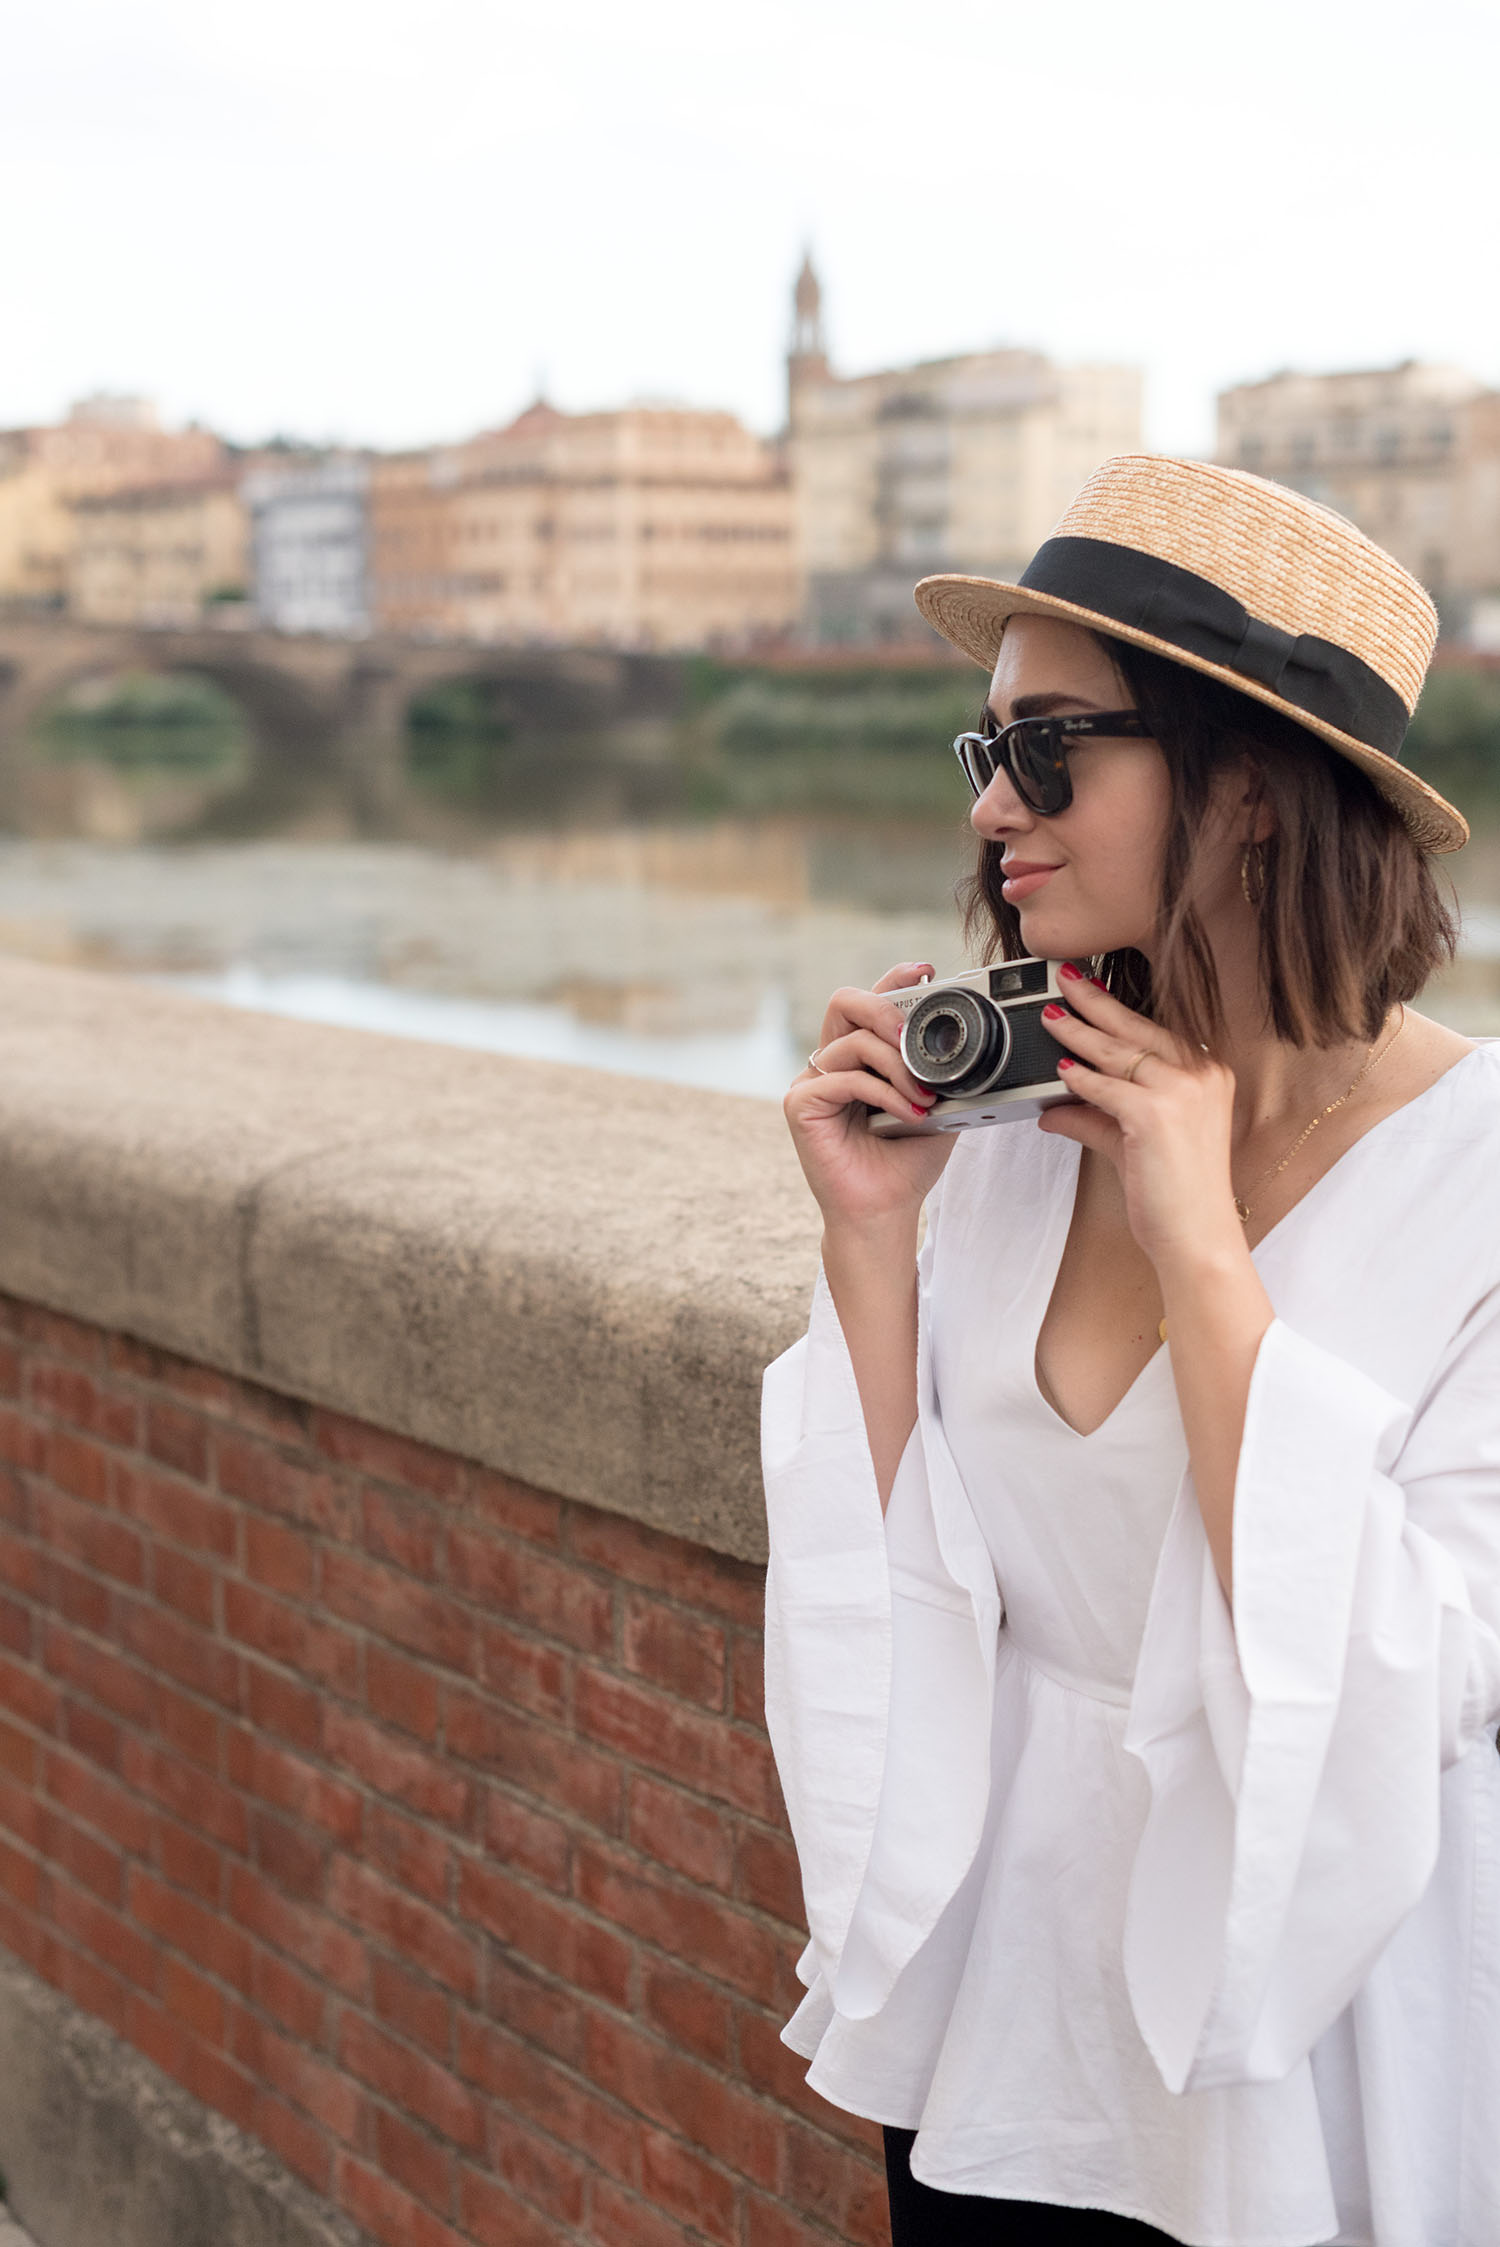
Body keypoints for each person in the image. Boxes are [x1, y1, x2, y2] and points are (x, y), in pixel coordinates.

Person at [762, 453, 1500, 2247]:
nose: (993, 807)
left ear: (1252, 788)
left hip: (1309, 2056)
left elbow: (1414, 1679)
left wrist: (1196, 1230)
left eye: (1052, 747)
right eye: (982, 749)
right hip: (1008, 2035)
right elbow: (900, 1576)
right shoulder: (1013, 1129)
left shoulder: (1475, 1183)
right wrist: (871, 1240)